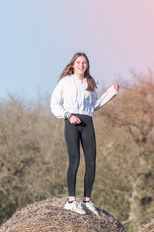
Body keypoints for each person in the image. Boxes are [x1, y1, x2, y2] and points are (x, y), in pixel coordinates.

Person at [50, 52, 119, 215]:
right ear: (73, 64)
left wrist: (112, 92)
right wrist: (68, 115)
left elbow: (95, 104)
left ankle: (87, 201)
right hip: (71, 122)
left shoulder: (90, 82)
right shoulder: (65, 82)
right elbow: (55, 104)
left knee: (91, 161)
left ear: (87, 66)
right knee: (74, 160)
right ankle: (71, 201)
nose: (82, 65)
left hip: (87, 122)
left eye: (85, 63)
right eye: (79, 62)